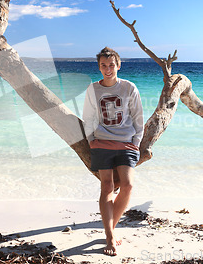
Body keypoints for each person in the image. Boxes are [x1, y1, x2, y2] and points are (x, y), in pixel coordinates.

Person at [82, 47, 144, 256]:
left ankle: (111, 228)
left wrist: (136, 141)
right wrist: (91, 139)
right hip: (101, 142)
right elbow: (88, 117)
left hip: (126, 142)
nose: (107, 69)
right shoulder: (93, 89)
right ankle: (109, 236)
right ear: (99, 67)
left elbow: (137, 117)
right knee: (107, 186)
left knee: (127, 185)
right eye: (103, 65)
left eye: (111, 65)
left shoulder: (129, 87)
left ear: (118, 65)